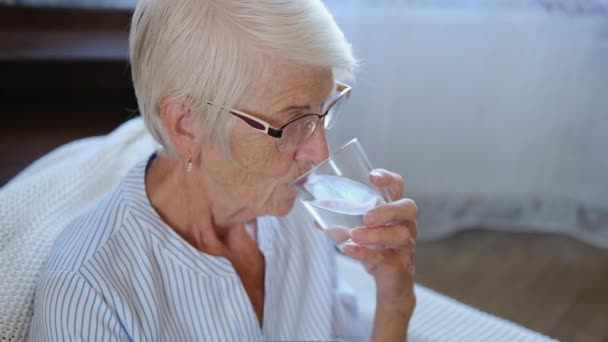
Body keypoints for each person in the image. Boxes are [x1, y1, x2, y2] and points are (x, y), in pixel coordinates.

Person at [30, 0, 418, 340]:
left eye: (324, 110)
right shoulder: (88, 295)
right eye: (292, 122)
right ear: (186, 124)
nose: (319, 154)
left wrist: (395, 300)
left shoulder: (297, 211)